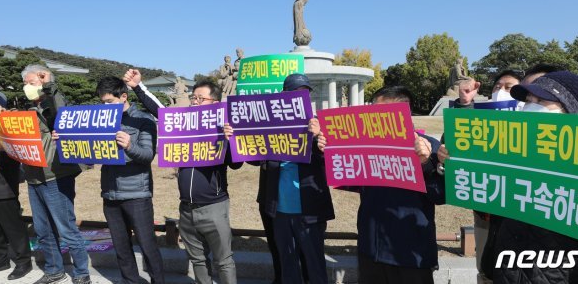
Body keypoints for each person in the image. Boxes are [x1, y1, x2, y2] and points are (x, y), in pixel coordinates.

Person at [485, 71, 578, 283]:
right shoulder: (512, 156)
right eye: (529, 100)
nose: (530, 106)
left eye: (542, 101)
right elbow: (486, 205)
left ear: (571, 112)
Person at [123, 70, 240, 284]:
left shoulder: (224, 128)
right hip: (186, 209)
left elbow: (236, 163)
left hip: (214, 207)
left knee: (223, 261)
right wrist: (138, 87)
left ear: (215, 103)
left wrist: (230, 140)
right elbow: (160, 111)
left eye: (200, 98)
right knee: (197, 260)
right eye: (193, 97)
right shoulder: (183, 125)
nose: (194, 102)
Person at [225, 73, 332, 284]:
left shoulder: (319, 124)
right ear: (284, 96)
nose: (301, 98)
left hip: (309, 211)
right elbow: (254, 159)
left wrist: (319, 138)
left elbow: (333, 163)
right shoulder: (270, 123)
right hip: (279, 210)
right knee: (287, 264)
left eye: (305, 94)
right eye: (295, 93)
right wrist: (235, 138)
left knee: (315, 265)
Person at [340, 86, 444, 284]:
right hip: (371, 249)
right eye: (372, 111)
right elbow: (346, 180)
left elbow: (440, 195)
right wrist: (327, 151)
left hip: (412, 254)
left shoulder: (429, 147)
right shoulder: (364, 146)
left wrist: (425, 164)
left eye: (383, 113)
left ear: (406, 113)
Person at [20, 64, 90, 284]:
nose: (27, 88)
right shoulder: (29, 111)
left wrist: (50, 84)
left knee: (66, 228)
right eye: (25, 84)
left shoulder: (54, 106)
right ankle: (54, 270)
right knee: (43, 230)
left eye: (31, 83)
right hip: (34, 177)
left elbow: (62, 111)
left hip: (56, 175)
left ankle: (81, 273)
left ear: (42, 83)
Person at [95, 76, 165, 284]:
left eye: (109, 102)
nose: (105, 107)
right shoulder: (101, 121)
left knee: (147, 246)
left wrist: (128, 146)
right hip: (110, 192)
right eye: (102, 103)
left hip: (137, 194)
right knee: (121, 247)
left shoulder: (143, 119)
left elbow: (147, 156)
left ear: (123, 96)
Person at [0, 91, 33, 280]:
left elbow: (18, 151)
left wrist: (1, 148)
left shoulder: (9, 123)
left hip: (3, 184)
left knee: (13, 225)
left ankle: (23, 261)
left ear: (0, 108)